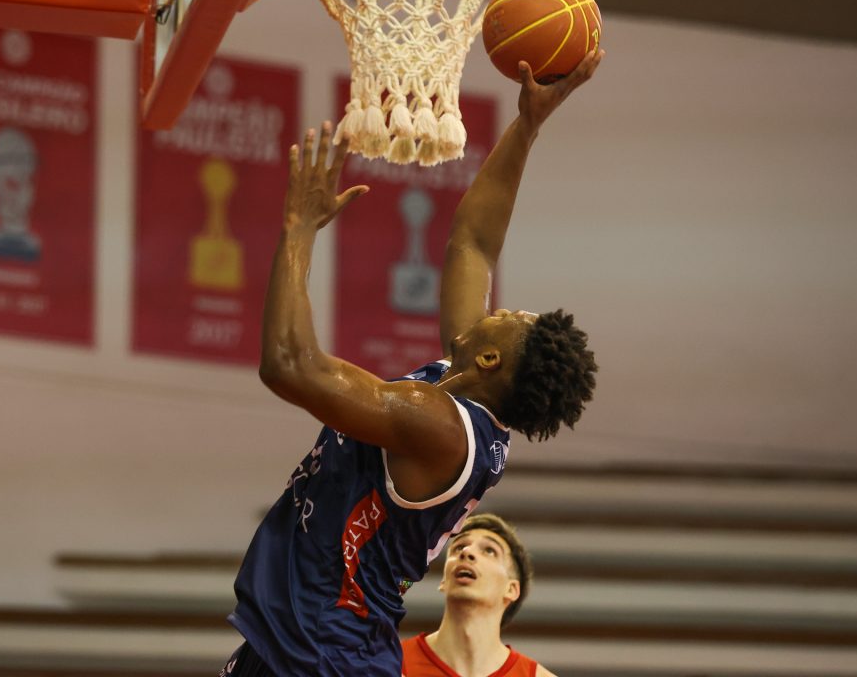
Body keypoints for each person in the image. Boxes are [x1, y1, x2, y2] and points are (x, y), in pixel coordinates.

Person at [221, 51, 603, 677]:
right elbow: (473, 243)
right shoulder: (466, 389)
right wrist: (529, 124)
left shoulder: (439, 426)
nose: (502, 307)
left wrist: (298, 229)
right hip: (301, 639)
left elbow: (289, 365)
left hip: (329, 654)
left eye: (513, 317)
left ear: (490, 357)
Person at [402, 513, 555, 677]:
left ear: (511, 589)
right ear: (443, 581)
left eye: (489, 550)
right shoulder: (392, 663)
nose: (467, 552)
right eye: (459, 547)